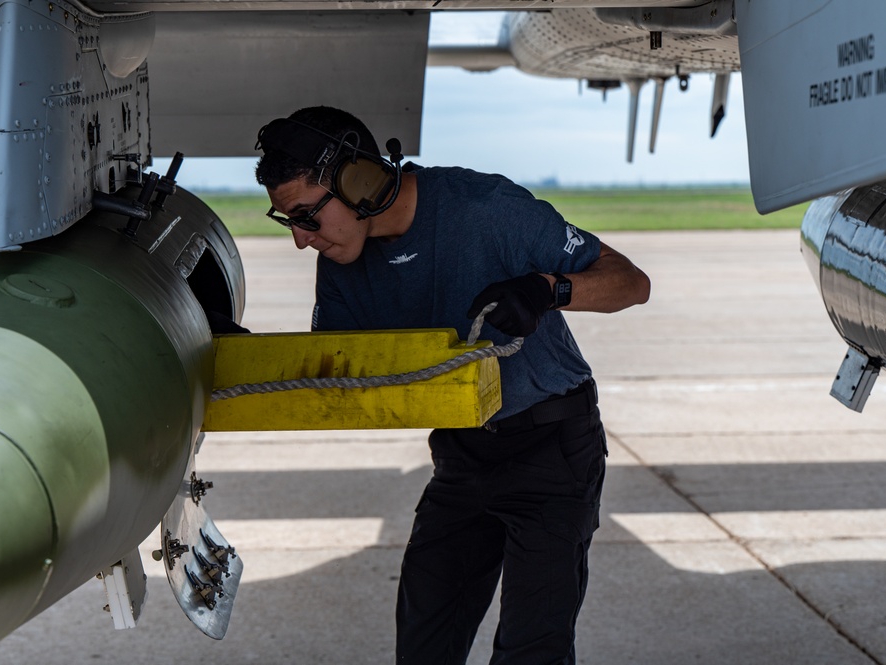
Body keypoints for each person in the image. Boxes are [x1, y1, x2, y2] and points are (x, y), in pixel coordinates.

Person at [254, 106, 650, 665]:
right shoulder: (343, 262)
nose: (300, 239)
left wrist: (546, 290)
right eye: (288, 220)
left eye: (306, 216)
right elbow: (339, 377)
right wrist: (239, 349)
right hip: (463, 456)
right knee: (425, 645)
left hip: (552, 449)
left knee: (531, 650)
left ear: (359, 182)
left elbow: (632, 283)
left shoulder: (486, 209)